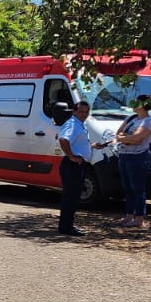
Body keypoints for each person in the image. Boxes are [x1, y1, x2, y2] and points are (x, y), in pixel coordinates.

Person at [113, 95, 151, 227]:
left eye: (136, 101)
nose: (133, 103)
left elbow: (137, 139)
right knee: (127, 188)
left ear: (143, 104)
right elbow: (118, 133)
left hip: (138, 157)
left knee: (137, 188)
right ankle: (129, 215)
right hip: (124, 155)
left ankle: (139, 217)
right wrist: (127, 138)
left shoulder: (148, 122)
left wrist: (125, 138)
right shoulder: (131, 118)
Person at [55, 101, 96, 236]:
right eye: (81, 111)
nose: (84, 114)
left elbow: (78, 142)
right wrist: (71, 156)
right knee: (70, 197)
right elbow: (63, 140)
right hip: (72, 165)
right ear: (74, 111)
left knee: (73, 197)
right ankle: (66, 228)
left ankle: (68, 225)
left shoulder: (79, 124)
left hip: (78, 164)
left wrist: (92, 146)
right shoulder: (72, 124)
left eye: (86, 112)